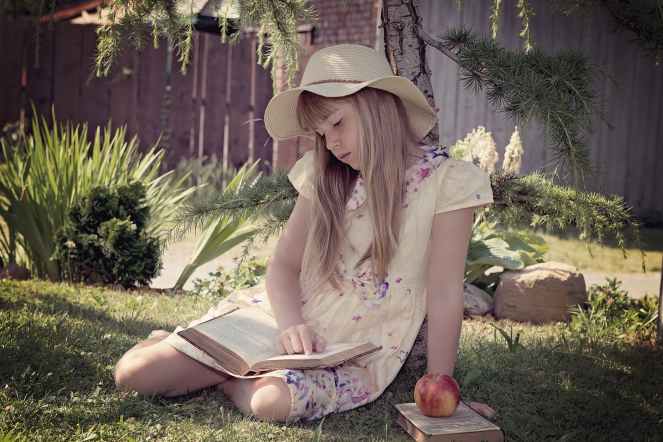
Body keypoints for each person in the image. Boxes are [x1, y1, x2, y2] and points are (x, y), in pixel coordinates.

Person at [113, 43, 494, 423]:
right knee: (132, 375)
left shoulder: (450, 183)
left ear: (377, 105)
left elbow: (445, 293)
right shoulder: (325, 176)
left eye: (338, 124)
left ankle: (228, 378)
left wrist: (441, 385)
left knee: (271, 404)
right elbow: (283, 266)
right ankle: (186, 349)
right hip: (282, 323)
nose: (332, 143)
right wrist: (292, 323)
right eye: (321, 133)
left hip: (351, 351)